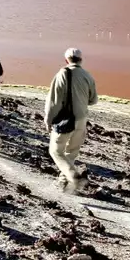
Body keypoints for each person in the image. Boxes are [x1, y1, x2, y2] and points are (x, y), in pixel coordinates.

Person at [45, 48, 98, 193]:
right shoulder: (87, 76)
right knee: (71, 152)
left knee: (55, 151)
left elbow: (53, 102)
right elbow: (93, 100)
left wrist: (48, 120)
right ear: (81, 60)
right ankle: (64, 183)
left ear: (66, 60)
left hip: (65, 121)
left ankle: (74, 177)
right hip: (81, 120)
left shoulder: (61, 74)